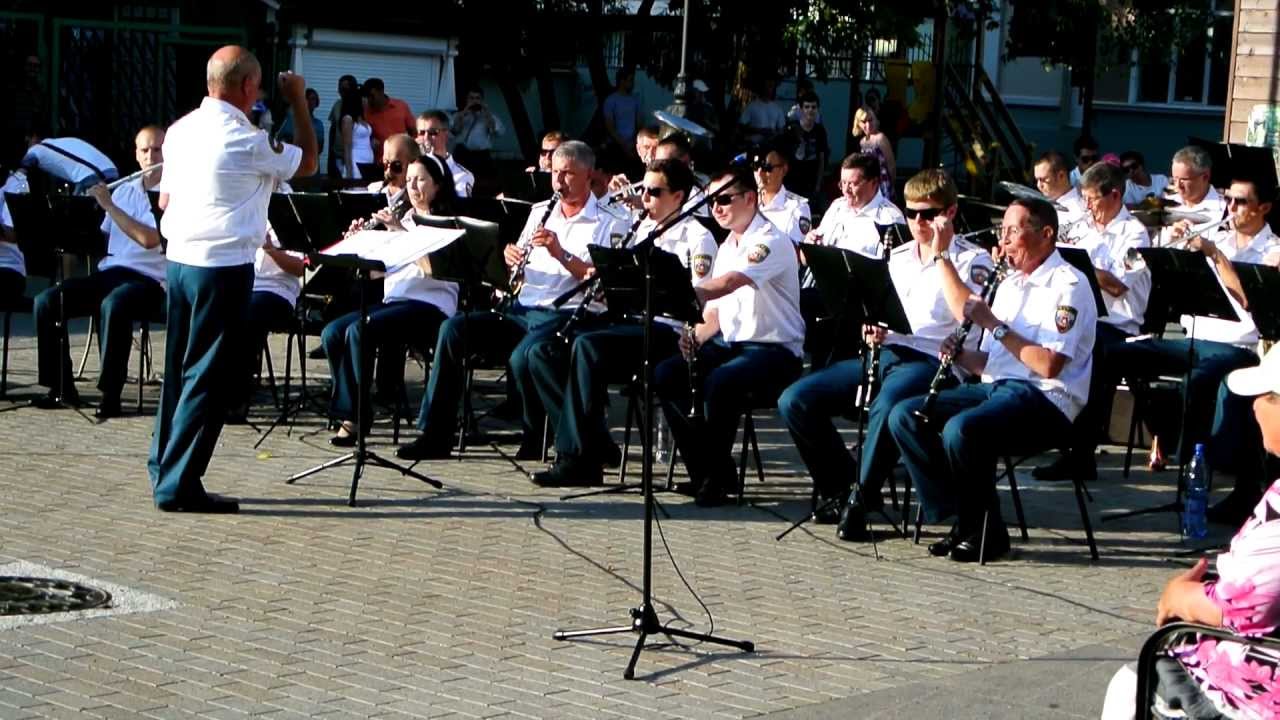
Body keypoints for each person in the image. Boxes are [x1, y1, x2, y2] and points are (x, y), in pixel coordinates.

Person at [778, 169, 993, 537]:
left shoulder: (973, 261)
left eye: (928, 214)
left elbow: (965, 315)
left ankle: (861, 500)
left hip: (934, 361)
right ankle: (844, 487)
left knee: (886, 403)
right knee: (796, 398)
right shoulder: (899, 256)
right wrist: (874, 324)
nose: (918, 222)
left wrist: (941, 257)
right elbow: (881, 306)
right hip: (890, 351)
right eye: (912, 214)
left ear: (951, 213)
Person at [148, 47, 317, 513]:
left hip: (180, 260)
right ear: (247, 87)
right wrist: (299, 101)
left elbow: (164, 199)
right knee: (209, 377)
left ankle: (163, 465)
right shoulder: (245, 139)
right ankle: (179, 483)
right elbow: (307, 163)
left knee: (180, 372)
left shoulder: (180, 130)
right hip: (222, 267)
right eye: (258, 86)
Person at [887, 197, 1097, 562]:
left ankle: (985, 531)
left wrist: (993, 325)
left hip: (1047, 398)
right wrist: (959, 353)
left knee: (962, 430)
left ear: (1046, 234)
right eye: (1004, 230)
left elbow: (1048, 365)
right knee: (905, 415)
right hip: (997, 387)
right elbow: (993, 361)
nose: (1005, 238)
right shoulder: (1010, 282)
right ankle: (964, 518)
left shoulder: (1069, 285)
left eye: (1014, 230)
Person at [396, 141, 628, 461]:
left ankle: (566, 440)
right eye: (555, 173)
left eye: (568, 174)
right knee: (453, 330)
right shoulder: (539, 212)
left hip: (570, 312)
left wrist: (560, 253)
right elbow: (517, 269)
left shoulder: (611, 221)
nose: (559, 181)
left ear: (589, 175)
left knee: (523, 356)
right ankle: (436, 434)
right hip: (522, 308)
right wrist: (507, 259)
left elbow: (603, 282)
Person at [1099, 346, 1280, 720]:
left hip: (1254, 687)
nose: (1254, 408)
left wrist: (1180, 597)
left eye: (1264, 397)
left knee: (1128, 684)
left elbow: (1246, 606)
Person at [528, 158, 718, 487]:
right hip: (629, 323)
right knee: (546, 350)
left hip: (666, 330)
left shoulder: (697, 238)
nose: (645, 199)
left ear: (679, 197)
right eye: (644, 191)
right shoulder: (639, 229)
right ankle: (593, 445)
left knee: (588, 346)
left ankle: (577, 459)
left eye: (655, 192)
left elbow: (698, 301)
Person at [1112, 173, 1280, 526]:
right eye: (1229, 199)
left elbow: (1250, 302)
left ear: (1263, 208)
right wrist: (1174, 250)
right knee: (1117, 354)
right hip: (1192, 337)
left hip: (1237, 346)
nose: (1231, 208)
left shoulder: (1273, 249)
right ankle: (1145, 437)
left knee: (1199, 382)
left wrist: (1215, 255)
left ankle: (1193, 467)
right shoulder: (1219, 236)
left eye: (1241, 202)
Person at [654, 166, 804, 507]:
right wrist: (696, 335)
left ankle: (716, 479)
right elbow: (717, 312)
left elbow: (728, 283)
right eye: (710, 202)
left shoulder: (769, 240)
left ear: (750, 198)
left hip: (774, 351)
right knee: (668, 373)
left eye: (724, 200)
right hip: (733, 346)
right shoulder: (728, 244)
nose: (716, 209)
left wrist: (681, 294)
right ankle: (707, 473)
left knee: (720, 381)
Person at [322, 154, 459, 445]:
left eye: (420, 179)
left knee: (360, 329)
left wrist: (398, 233)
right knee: (332, 333)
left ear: (437, 184)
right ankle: (357, 410)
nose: (413, 186)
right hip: (395, 303)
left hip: (431, 307)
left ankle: (354, 418)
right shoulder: (405, 219)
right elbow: (376, 275)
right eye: (408, 180)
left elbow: (435, 270)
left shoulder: (448, 223)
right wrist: (358, 244)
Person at [30, 125, 167, 417]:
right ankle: (62, 389)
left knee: (114, 304)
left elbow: (149, 239)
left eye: (157, 150)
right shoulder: (125, 190)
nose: (151, 156)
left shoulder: (172, 194)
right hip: (111, 272)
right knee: (48, 301)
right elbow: (102, 240)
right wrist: (74, 219)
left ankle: (110, 395)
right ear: (137, 154)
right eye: (145, 150)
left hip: (150, 280)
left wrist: (107, 204)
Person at [1035, 161, 1150, 482]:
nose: (1086, 206)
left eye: (1092, 200)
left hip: (1116, 325)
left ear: (1114, 195)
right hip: (1081, 317)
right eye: (1083, 199)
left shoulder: (1135, 234)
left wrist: (1078, 262)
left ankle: (1080, 453)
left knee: (1091, 353)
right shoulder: (1083, 228)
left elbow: (1118, 285)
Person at [802, 153, 905, 367]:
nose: (846, 190)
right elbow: (810, 253)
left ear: (874, 183)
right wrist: (812, 242)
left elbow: (892, 273)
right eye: (843, 183)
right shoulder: (838, 206)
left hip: (860, 300)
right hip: (826, 288)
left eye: (853, 184)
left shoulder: (888, 217)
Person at [228, 211, 306, 424]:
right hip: (242, 286)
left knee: (247, 315)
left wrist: (271, 251)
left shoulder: (291, 214)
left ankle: (235, 401)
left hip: (277, 291)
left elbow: (300, 268)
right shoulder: (246, 209)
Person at [1165, 145, 1229, 245]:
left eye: (1184, 180)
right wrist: (1169, 239)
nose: (1178, 186)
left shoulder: (1226, 210)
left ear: (1205, 177)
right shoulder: (1166, 204)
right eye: (1174, 179)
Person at [21, 131, 118, 193]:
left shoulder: (36, 149)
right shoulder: (61, 142)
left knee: (73, 211)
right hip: (111, 170)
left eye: (27, 142)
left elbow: (23, 169)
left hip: (88, 177)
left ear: (33, 138)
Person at [753, 144, 811, 246]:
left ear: (783, 170)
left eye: (767, 168)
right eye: (755, 167)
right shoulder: (749, 203)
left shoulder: (797, 208)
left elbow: (796, 250)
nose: (759, 173)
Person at [450, 87, 505, 186]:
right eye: (471, 98)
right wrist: (465, 111)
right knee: (459, 183)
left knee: (483, 185)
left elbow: (497, 132)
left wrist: (486, 112)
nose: (474, 101)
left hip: (481, 156)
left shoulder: (490, 116)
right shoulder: (459, 115)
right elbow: (454, 130)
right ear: (467, 100)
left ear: (482, 100)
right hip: (462, 154)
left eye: (477, 98)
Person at [416, 110, 475, 197]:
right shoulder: (410, 168)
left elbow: (459, 207)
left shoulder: (461, 175)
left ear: (446, 134)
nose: (426, 137)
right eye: (421, 132)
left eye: (433, 132)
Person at [783, 91, 827, 201]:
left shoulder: (820, 131)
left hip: (810, 183)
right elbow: (784, 157)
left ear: (817, 109)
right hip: (791, 182)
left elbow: (821, 159)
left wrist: (818, 185)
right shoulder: (791, 130)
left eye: (813, 107)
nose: (810, 110)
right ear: (801, 109)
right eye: (807, 107)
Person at [360, 78, 415, 162]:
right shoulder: (365, 112)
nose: (369, 100)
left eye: (372, 96)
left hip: (401, 160)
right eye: (367, 97)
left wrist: (411, 152)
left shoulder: (401, 106)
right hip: (379, 161)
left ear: (381, 92)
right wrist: (370, 141)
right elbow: (362, 137)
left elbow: (414, 132)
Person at [1034, 150, 1087, 233]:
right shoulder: (1045, 209)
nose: (1039, 185)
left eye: (1043, 179)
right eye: (1037, 180)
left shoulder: (1083, 207)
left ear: (1061, 176)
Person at [275, 87, 324, 176]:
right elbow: (281, 140)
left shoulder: (318, 124)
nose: (311, 102)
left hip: (311, 164)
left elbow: (320, 147)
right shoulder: (291, 120)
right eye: (308, 99)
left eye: (314, 99)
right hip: (293, 164)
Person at [602, 68, 643, 169]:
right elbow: (610, 126)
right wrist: (624, 145)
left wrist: (634, 143)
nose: (632, 83)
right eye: (630, 80)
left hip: (633, 146)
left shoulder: (635, 100)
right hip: (615, 146)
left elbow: (639, 124)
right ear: (622, 81)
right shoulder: (611, 100)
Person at [852, 107, 895, 201]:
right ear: (858, 123)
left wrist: (891, 186)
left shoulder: (880, 138)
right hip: (868, 185)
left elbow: (891, 165)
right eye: (864, 121)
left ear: (875, 120)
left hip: (883, 184)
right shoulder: (862, 142)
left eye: (870, 120)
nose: (868, 124)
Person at [338, 87, 374, 180]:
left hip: (368, 162)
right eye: (364, 97)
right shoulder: (348, 119)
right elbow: (347, 147)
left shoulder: (363, 118)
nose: (367, 100)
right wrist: (349, 171)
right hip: (356, 161)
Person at [326, 74, 358, 178]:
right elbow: (333, 130)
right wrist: (330, 155)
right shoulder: (337, 105)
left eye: (344, 89)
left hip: (356, 156)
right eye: (339, 89)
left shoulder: (360, 106)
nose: (341, 92)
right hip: (338, 155)